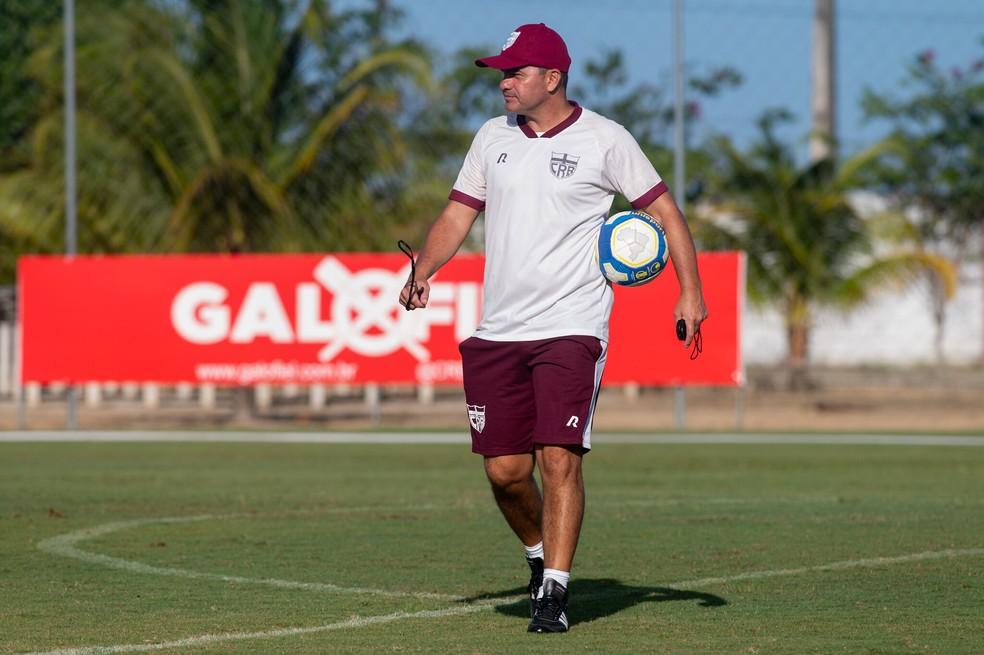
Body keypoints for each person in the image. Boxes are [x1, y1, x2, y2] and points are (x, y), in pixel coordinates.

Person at [399, 22, 707, 633]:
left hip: (573, 325)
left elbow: (665, 212)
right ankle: (539, 557)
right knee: (505, 472)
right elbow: (459, 212)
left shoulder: (605, 139)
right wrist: (424, 269)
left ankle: (555, 594)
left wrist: (690, 291)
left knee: (558, 458)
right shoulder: (491, 138)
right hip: (499, 330)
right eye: (502, 73)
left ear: (552, 78)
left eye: (514, 73)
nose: (504, 83)